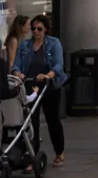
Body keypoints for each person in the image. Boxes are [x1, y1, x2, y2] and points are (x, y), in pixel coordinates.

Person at [12, 15, 65, 167]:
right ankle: (32, 158)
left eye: (39, 29)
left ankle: (59, 151)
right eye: (33, 28)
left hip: (49, 87)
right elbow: (16, 64)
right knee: (31, 122)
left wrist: (48, 75)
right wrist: (17, 73)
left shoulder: (54, 43)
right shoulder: (25, 45)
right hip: (30, 87)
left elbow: (58, 64)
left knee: (52, 120)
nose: (35, 31)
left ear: (45, 30)